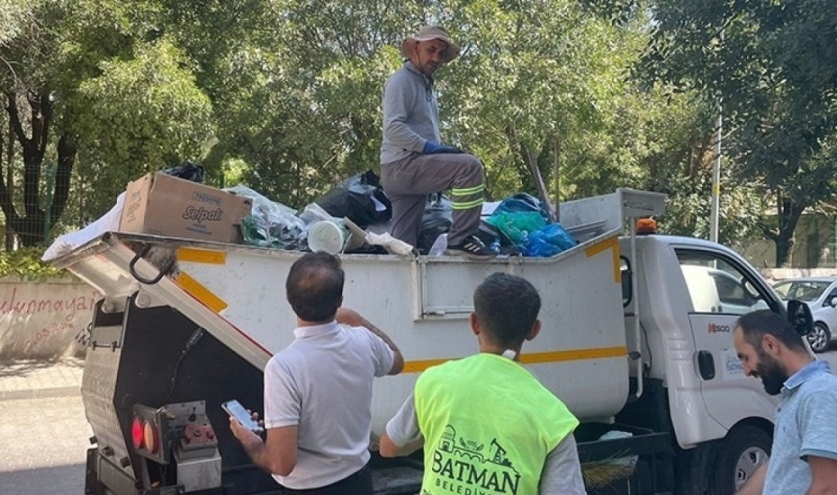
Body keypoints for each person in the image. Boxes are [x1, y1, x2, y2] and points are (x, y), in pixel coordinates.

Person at [379, 273, 586, 494]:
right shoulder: (554, 419)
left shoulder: (434, 381)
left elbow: (388, 447)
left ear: (475, 323)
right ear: (534, 330)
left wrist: (426, 440)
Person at [229, 252, 405, 494]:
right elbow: (397, 361)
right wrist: (357, 319)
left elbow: (281, 464)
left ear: (288, 297)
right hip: (359, 482)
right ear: (339, 300)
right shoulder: (364, 341)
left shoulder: (284, 367)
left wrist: (250, 441)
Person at [380, 25, 497, 259]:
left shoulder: (425, 84)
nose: (436, 57)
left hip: (401, 169)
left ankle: (398, 281)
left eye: (441, 53)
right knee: (469, 166)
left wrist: (435, 154)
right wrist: (429, 148)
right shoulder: (402, 80)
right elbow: (393, 128)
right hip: (404, 164)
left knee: (402, 247)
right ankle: (460, 239)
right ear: (415, 48)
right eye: (431, 49)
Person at [732, 310, 837, 495]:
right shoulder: (797, 394)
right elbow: (780, 464)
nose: (746, 371)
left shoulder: (819, 394)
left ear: (770, 345)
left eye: (746, 358)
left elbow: (828, 487)